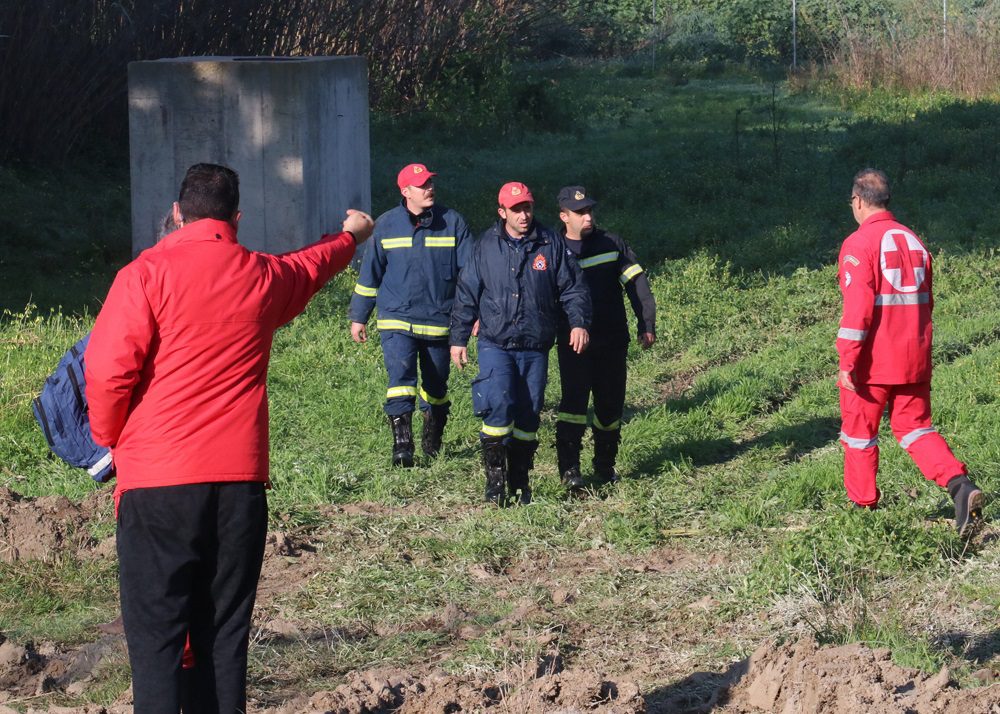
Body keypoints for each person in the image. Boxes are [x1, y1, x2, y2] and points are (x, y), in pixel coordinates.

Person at [85, 163, 374, 713]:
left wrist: (109, 437)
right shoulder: (262, 276)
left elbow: (106, 373)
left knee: (158, 641)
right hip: (238, 487)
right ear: (237, 218)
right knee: (222, 636)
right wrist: (350, 237)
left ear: (177, 213)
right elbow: (309, 266)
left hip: (157, 485)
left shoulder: (144, 275)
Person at [836, 168, 983, 536]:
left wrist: (847, 361)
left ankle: (863, 508)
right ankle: (960, 486)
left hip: (873, 362)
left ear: (857, 201)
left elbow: (858, 312)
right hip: (914, 356)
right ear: (887, 199)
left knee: (860, 432)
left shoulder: (858, 244)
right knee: (915, 428)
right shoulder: (914, 240)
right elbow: (927, 302)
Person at [451, 181, 591, 505]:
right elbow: (466, 293)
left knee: (529, 416)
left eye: (527, 207)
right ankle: (495, 482)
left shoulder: (551, 243)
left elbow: (573, 287)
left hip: (535, 346)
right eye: (516, 209)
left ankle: (520, 481)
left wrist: (579, 322)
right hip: (495, 342)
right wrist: (458, 339)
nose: (523, 215)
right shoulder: (485, 246)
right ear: (502, 212)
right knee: (498, 403)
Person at [349, 163, 473, 466]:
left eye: (431, 182)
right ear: (405, 192)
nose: (429, 188)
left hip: (439, 322)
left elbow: (471, 276)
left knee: (436, 387)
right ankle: (402, 448)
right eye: (422, 185)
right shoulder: (386, 225)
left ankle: (432, 439)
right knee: (400, 380)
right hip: (396, 319)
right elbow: (370, 275)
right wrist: (359, 316)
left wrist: (474, 313)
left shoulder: (453, 223)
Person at [554, 186, 656, 490]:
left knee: (610, 407)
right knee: (573, 404)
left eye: (589, 210)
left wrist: (646, 323)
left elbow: (637, 284)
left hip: (611, 339)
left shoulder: (611, 243)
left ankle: (604, 466)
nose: (588, 217)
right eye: (580, 212)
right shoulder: (553, 248)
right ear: (564, 216)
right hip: (573, 342)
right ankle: (570, 470)